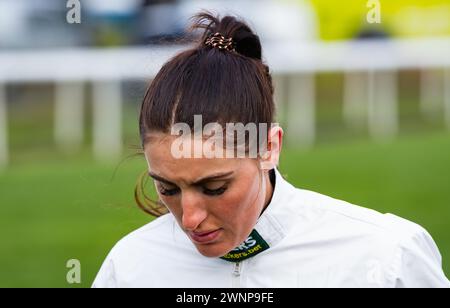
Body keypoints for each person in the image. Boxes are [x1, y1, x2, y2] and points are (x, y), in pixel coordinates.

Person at [93, 12, 450, 288]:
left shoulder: (387, 255)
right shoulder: (129, 268)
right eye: (168, 188)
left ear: (269, 147)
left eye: (214, 187)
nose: (189, 218)